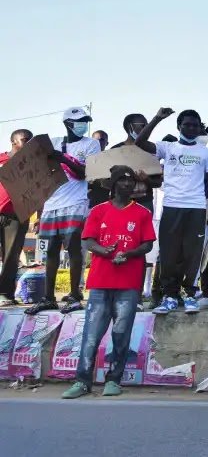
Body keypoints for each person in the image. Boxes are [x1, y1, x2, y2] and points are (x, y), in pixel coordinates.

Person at [61, 166, 155, 399]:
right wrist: (104, 251)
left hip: (129, 283)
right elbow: (88, 241)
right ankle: (82, 381)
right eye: (123, 180)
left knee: (121, 334)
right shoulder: (98, 211)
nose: (128, 184)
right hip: (100, 282)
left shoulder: (142, 213)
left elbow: (148, 245)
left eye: (131, 180)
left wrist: (129, 254)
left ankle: (114, 379)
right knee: (91, 335)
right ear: (113, 184)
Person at [135, 108, 208, 314]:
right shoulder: (168, 147)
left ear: (199, 128)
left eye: (195, 125)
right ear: (178, 126)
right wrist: (157, 118)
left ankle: (190, 294)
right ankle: (169, 296)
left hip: (196, 207)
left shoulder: (205, 152)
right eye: (186, 124)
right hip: (172, 206)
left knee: (192, 253)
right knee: (170, 253)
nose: (191, 128)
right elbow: (140, 143)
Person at [27, 107, 102, 315]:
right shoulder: (54, 141)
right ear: (67, 123)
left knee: (74, 249)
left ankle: (75, 295)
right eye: (79, 121)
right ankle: (48, 297)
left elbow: (86, 173)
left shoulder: (91, 144)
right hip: (52, 203)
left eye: (85, 121)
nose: (83, 124)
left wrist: (63, 158)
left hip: (76, 202)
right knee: (51, 251)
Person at [0, 129, 33, 306]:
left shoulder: (33, 166)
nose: (29, 144)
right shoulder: (1, 159)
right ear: (13, 141)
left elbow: (39, 191)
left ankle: (5, 293)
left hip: (17, 215)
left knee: (11, 256)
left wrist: (40, 216)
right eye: (25, 140)